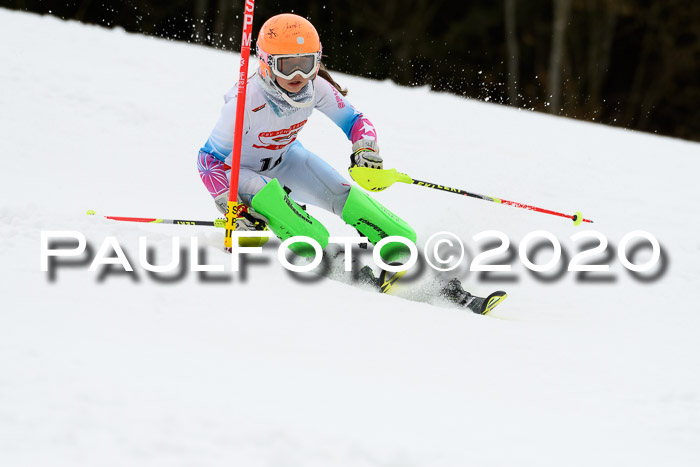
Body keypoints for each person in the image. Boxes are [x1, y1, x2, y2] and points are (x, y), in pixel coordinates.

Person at [197, 13, 415, 269]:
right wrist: (229, 205)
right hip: (240, 173)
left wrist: (364, 148)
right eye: (287, 66)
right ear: (267, 64)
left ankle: (402, 253)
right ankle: (328, 264)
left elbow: (355, 121)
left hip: (287, 159)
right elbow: (207, 159)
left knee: (347, 198)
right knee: (314, 237)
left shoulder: (316, 88)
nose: (298, 75)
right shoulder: (244, 104)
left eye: (307, 63)